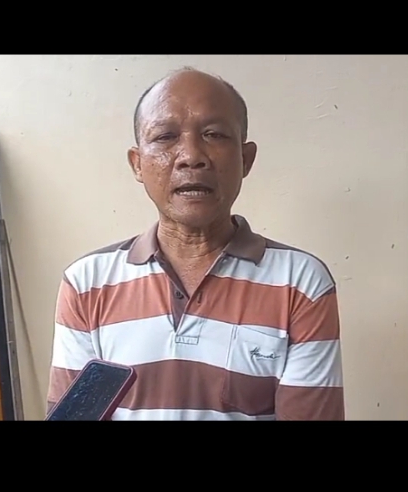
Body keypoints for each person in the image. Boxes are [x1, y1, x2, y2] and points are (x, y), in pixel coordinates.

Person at [47, 67, 344, 420]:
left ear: (246, 159)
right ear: (137, 164)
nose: (191, 156)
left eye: (214, 134)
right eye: (165, 136)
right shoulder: (87, 283)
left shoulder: (300, 283)